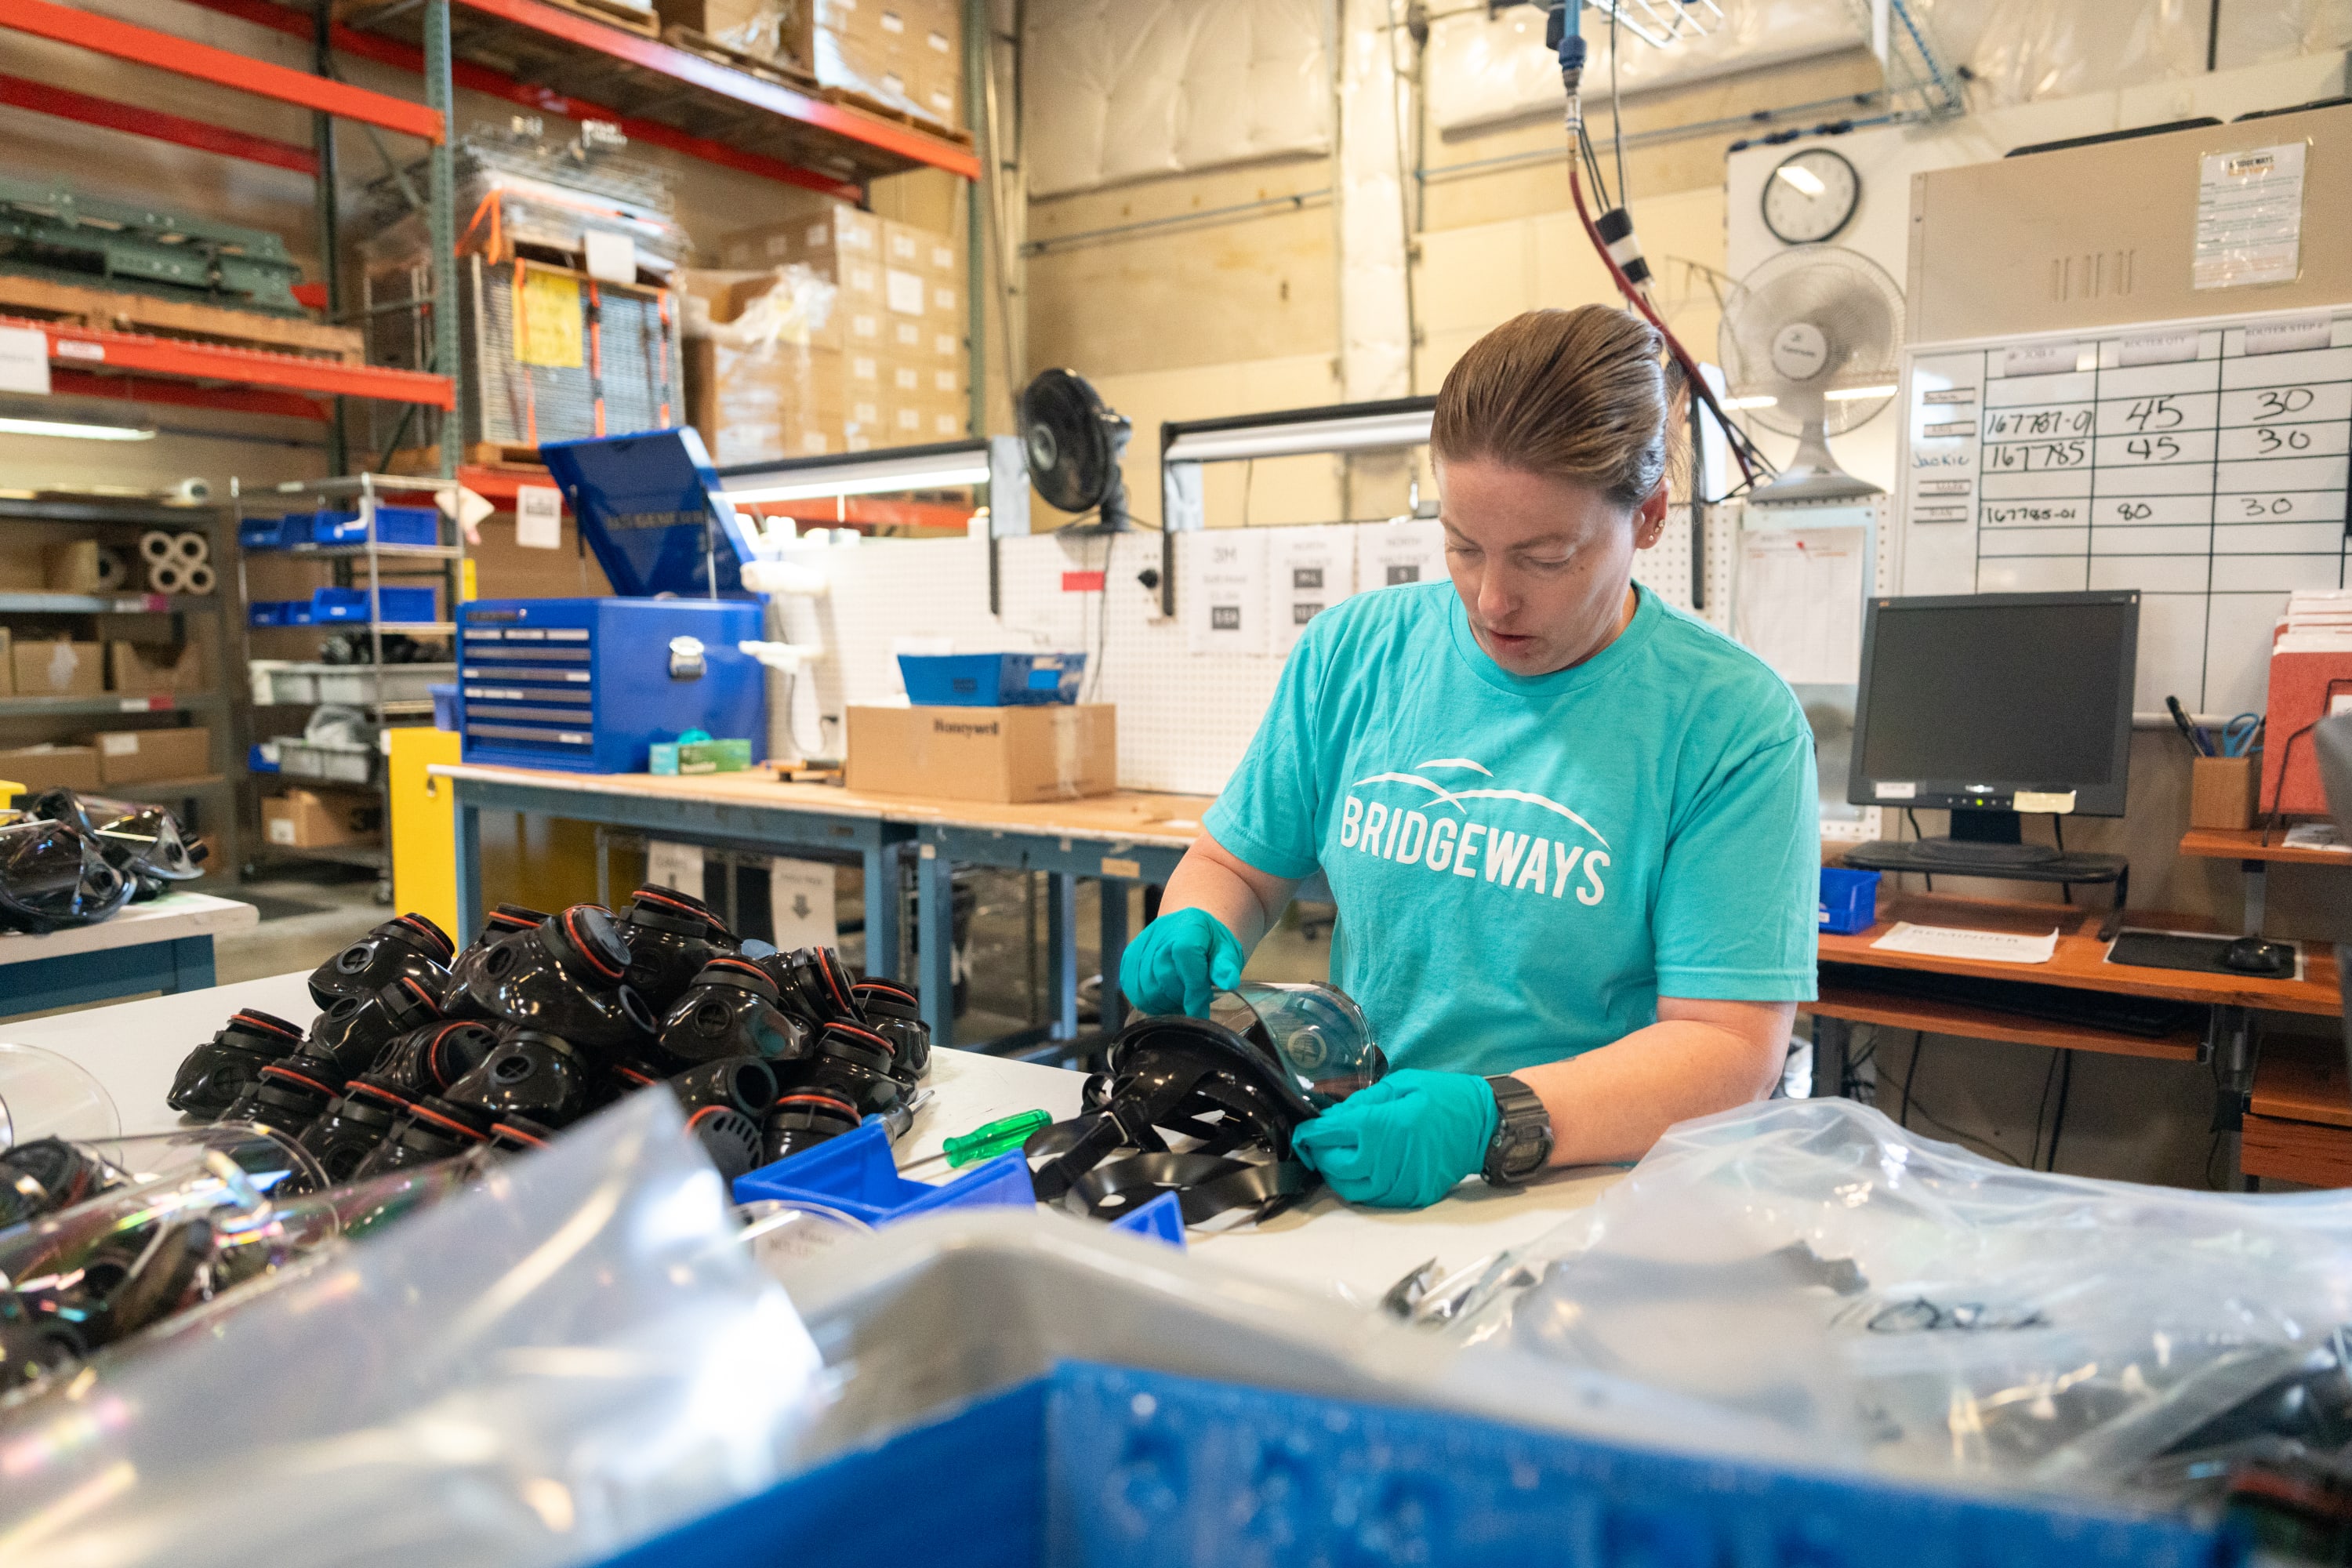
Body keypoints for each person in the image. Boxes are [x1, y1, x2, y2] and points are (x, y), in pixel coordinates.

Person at [1118, 304, 1820, 1209]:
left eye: (1545, 557)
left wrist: (1496, 1117)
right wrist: (1199, 919)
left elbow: (1728, 1049)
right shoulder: (1356, 653)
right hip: (1361, 1153)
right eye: (1462, 545)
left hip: (1597, 1195)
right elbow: (1238, 867)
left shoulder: (1730, 723)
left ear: (1648, 517)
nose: (1492, 599)